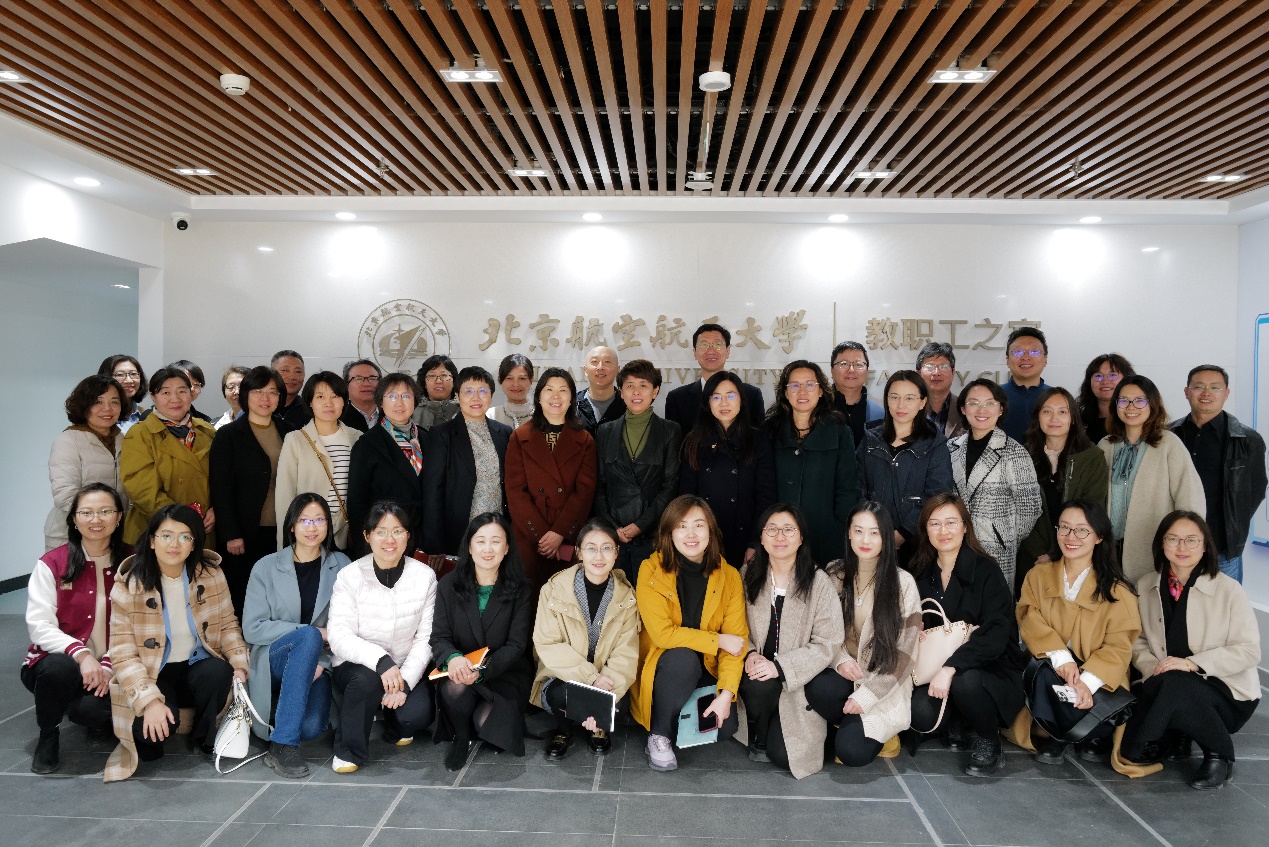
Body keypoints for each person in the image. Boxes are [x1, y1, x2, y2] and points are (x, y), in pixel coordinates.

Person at [103, 504, 249, 782]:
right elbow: (121, 653)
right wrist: (149, 702)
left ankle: (205, 736)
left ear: (194, 544)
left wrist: (240, 665)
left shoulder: (211, 575)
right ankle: (159, 718)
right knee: (149, 740)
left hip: (196, 664)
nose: (175, 544)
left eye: (185, 537)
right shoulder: (129, 584)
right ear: (151, 541)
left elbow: (228, 625)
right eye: (166, 536)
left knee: (219, 672)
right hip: (153, 673)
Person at [1121, 511, 1261, 789]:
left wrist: (1192, 664)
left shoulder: (1229, 590)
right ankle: (1178, 733)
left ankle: (1219, 754)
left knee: (1175, 685)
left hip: (1225, 692)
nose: (1181, 547)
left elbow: (1249, 651)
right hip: (1164, 683)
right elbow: (1137, 640)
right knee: (1169, 685)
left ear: (1205, 546)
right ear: (1161, 544)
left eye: (1191, 540)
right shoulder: (1146, 586)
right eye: (1173, 539)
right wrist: (1154, 667)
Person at [1017, 499, 1142, 772]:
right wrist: (1061, 657)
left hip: (1096, 673)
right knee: (1042, 670)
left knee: (1092, 691)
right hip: (1051, 665)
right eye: (1064, 528)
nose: (1071, 537)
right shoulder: (1038, 576)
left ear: (1099, 537)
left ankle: (1087, 730)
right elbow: (1029, 616)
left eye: (1082, 530)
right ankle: (1060, 733)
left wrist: (1086, 681)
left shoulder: (1118, 591)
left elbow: (1119, 646)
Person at [907, 494, 1026, 776]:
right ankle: (959, 717)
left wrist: (952, 667)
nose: (943, 530)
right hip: (935, 664)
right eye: (935, 523)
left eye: (951, 522)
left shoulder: (986, 570)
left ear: (964, 526)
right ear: (925, 530)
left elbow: (996, 632)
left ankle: (988, 739)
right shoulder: (920, 571)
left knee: (965, 681)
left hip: (988, 667)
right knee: (920, 715)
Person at [630, 496, 748, 771]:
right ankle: (659, 734)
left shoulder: (729, 576)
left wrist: (726, 694)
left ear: (711, 531)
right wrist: (717, 640)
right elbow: (663, 635)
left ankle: (680, 713)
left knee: (724, 727)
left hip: (706, 665)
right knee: (683, 660)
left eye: (699, 525)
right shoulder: (651, 569)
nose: (691, 534)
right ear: (669, 533)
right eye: (682, 526)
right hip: (667, 665)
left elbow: (736, 643)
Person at [242, 493, 352, 778]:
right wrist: (311, 634)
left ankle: (284, 713)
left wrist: (322, 662)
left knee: (312, 728)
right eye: (304, 520)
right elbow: (253, 627)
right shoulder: (265, 567)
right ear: (291, 525)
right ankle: (283, 744)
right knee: (309, 636)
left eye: (319, 520)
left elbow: (351, 626)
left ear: (328, 525)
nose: (311, 527)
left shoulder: (341, 565)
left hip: (319, 662)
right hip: (273, 658)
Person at [805, 502, 921, 767]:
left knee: (850, 753)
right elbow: (821, 629)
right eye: (858, 531)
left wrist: (867, 696)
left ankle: (881, 732)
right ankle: (850, 721)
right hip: (848, 675)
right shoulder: (835, 573)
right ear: (849, 533)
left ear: (886, 537)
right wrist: (840, 660)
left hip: (884, 682)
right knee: (817, 687)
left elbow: (905, 654)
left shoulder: (903, 583)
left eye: (874, 533)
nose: (865, 540)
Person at [24, 484, 130, 774]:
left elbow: (142, 624)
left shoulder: (133, 563)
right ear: (73, 519)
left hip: (115, 664)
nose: (96, 520)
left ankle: (87, 710)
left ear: (119, 517)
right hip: (60, 663)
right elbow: (39, 625)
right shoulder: (52, 563)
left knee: (90, 711)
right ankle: (48, 734)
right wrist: (82, 655)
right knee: (58, 669)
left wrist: (107, 664)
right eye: (87, 513)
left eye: (105, 511)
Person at [327, 501, 438, 773]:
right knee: (366, 681)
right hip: (357, 667)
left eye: (398, 531)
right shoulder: (349, 576)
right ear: (367, 536)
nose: (390, 540)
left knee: (416, 715)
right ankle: (349, 751)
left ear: (408, 536)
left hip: (404, 664)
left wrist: (406, 682)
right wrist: (381, 661)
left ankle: (394, 722)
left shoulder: (424, 576)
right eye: (381, 532)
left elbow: (426, 638)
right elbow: (339, 635)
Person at [735, 504, 843, 778]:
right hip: (757, 673)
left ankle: (782, 727)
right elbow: (733, 625)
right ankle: (760, 731)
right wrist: (750, 653)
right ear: (761, 538)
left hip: (796, 680)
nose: (779, 536)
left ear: (801, 537)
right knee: (759, 685)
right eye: (771, 529)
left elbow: (828, 642)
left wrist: (780, 667)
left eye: (788, 530)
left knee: (786, 757)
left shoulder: (818, 581)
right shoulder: (747, 575)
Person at [431, 513, 534, 771]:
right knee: (455, 687)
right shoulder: (448, 584)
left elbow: (516, 645)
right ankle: (460, 736)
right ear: (469, 546)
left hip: (503, 673)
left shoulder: (520, 588)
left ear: (507, 548)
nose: (488, 549)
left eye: (496, 541)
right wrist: (454, 659)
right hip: (460, 669)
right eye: (480, 541)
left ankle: (486, 719)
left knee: (487, 727)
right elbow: (440, 636)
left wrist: (482, 672)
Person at [531, 518, 639, 759]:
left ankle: (598, 725)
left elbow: (626, 652)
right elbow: (548, 643)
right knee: (561, 694)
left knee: (619, 705)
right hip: (565, 677)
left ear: (616, 552)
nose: (599, 556)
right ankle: (564, 729)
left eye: (606, 548)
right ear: (579, 553)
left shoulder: (627, 597)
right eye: (591, 548)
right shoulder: (553, 590)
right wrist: (591, 679)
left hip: (606, 680)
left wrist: (601, 693)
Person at [209, 366, 296, 617]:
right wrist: (231, 533)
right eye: (258, 391)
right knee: (244, 595)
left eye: (272, 392)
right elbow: (220, 487)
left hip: (282, 530)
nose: (265, 398)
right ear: (246, 395)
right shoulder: (228, 435)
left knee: (279, 595)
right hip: (244, 533)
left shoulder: (290, 432)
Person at [1102, 375, 1205, 583]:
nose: (1131, 407)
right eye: (1124, 400)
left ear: (1152, 404)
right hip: (1110, 550)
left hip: (1153, 548)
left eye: (1139, 400)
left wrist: (1185, 547)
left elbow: (1190, 499)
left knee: (1149, 599)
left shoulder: (1169, 444)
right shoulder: (1106, 444)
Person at [1170, 365, 1267, 583]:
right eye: (1199, 387)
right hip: (1176, 545)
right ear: (1186, 392)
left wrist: (1232, 525)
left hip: (1221, 547)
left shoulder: (1246, 440)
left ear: (1226, 393)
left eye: (1215, 387)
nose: (1206, 393)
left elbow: (1256, 491)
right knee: (1176, 602)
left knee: (1223, 603)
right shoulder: (1169, 435)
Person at [504, 368, 597, 590]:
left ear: (572, 398)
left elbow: (584, 493)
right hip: (529, 536)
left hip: (567, 536)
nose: (556, 396)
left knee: (565, 597)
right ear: (539, 396)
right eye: (549, 390)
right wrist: (543, 536)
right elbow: (515, 492)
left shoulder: (585, 439)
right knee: (529, 599)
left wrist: (559, 533)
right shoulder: (520, 437)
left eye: (563, 390)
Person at [947, 378, 1042, 590]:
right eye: (973, 403)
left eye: (990, 403)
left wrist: (1003, 535)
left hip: (996, 549)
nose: (982, 410)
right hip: (954, 544)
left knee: (994, 604)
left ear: (1000, 409)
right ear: (963, 409)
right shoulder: (951, 448)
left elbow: (1030, 508)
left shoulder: (1014, 452)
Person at [765, 360, 862, 564]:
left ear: (820, 391)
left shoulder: (839, 432)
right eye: (795, 385)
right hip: (777, 538)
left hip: (825, 538)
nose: (802, 391)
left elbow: (848, 489)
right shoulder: (769, 431)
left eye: (809, 384)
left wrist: (839, 528)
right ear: (785, 392)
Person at [593, 359, 681, 583]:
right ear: (620, 391)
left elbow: (670, 486)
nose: (636, 392)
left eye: (643, 385)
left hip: (652, 534)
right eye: (630, 385)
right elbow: (599, 486)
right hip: (613, 536)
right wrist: (613, 528)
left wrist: (641, 526)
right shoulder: (605, 431)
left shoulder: (670, 430)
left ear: (655, 391)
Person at [678, 370, 777, 566]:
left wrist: (755, 542)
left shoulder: (757, 440)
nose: (724, 403)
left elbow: (766, 496)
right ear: (707, 402)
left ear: (741, 400)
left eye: (731, 396)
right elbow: (686, 498)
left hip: (744, 538)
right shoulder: (694, 441)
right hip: (704, 538)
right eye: (716, 397)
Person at [857, 370, 953, 565]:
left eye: (909, 398)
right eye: (894, 397)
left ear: (922, 402)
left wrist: (903, 532)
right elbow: (856, 486)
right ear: (887, 400)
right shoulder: (870, 441)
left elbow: (938, 495)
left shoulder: (935, 445)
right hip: (872, 540)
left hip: (919, 547)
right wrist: (875, 529)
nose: (901, 405)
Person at [1018, 387, 1109, 592]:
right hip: (1031, 557)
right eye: (1047, 411)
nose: (1054, 418)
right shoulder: (1022, 455)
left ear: (1073, 418)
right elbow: (1018, 511)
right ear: (1038, 417)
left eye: (1062, 412)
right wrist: (1039, 553)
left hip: (1077, 555)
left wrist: (1056, 554)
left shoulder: (1092, 457)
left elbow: (1093, 510)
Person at [120, 367, 217, 547]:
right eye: (166, 392)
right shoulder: (140, 434)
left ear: (191, 394)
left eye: (182, 391)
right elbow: (141, 489)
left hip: (203, 529)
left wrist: (216, 508)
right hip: (156, 531)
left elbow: (224, 478)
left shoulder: (207, 430)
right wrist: (181, 520)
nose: (175, 399)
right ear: (153, 396)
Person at [423, 366, 513, 554]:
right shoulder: (442, 434)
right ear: (457, 396)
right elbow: (433, 491)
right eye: (468, 391)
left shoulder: (504, 433)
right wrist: (435, 545)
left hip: (497, 531)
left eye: (483, 391)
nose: (476, 397)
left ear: (491, 395)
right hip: (458, 533)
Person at [276, 372, 362, 551]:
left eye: (335, 396)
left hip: (347, 531)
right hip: (310, 531)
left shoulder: (357, 438)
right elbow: (285, 494)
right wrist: (284, 544)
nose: (329, 403)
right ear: (310, 402)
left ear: (344, 401)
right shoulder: (296, 439)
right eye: (320, 397)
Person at [45, 374, 131, 551]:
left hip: (115, 535)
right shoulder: (68, 441)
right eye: (98, 401)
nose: (107, 408)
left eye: (114, 402)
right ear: (84, 405)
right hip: (70, 535)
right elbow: (65, 494)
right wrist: (100, 521)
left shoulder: (124, 440)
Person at [347, 373, 427, 557]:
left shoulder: (427, 438)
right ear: (380, 402)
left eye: (406, 395)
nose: (399, 402)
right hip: (385, 538)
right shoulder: (367, 444)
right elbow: (357, 502)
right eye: (392, 396)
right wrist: (364, 547)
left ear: (415, 401)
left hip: (423, 537)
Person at [664, 323, 765, 436]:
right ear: (694, 353)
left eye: (717, 344)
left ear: (728, 351)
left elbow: (757, 440)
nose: (711, 351)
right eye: (703, 345)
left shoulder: (751, 395)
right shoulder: (677, 398)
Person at [829, 341, 883, 451]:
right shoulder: (817, 411)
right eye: (844, 364)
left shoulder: (880, 415)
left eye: (858, 364)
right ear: (832, 370)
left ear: (867, 371)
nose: (851, 370)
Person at [1000, 327, 1050, 443]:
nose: (1026, 357)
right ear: (1007, 360)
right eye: (1018, 352)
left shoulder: (1057, 398)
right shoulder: (994, 396)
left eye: (1034, 352)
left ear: (1045, 359)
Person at [1078, 353, 1135, 445]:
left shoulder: (1134, 419)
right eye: (1098, 376)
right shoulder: (1079, 422)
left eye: (1112, 375)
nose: (1105, 381)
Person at [916, 342, 966, 439]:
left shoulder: (966, 409)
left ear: (953, 373)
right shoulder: (907, 409)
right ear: (918, 374)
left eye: (943, 367)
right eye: (929, 367)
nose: (936, 372)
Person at [575, 345, 625, 432]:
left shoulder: (627, 405)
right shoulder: (572, 404)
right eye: (594, 361)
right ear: (585, 370)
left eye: (607, 362)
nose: (600, 367)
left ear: (617, 370)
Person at [98, 354, 146, 432]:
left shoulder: (147, 415)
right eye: (120, 375)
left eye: (133, 374)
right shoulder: (97, 415)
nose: (129, 381)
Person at [411, 354, 459, 430]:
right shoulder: (412, 410)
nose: (438, 381)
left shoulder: (466, 410)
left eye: (444, 375)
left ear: (454, 381)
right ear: (425, 383)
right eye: (432, 376)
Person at [488, 353, 536, 429]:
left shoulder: (543, 416)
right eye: (509, 378)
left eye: (522, 378)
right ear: (500, 380)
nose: (516, 385)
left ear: (531, 379)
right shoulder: (489, 416)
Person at [272, 349, 312, 427]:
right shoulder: (260, 406)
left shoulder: (310, 410)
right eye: (285, 370)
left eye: (298, 371)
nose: (292, 377)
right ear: (271, 374)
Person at [341, 358, 382, 432]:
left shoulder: (392, 415)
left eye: (372, 378)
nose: (366, 384)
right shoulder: (338, 419)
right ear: (346, 385)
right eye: (358, 379)